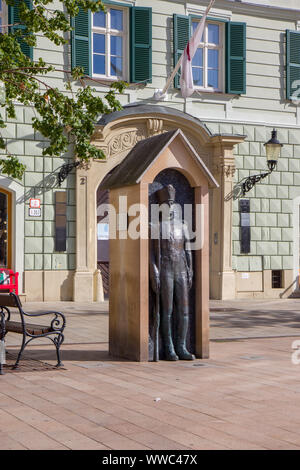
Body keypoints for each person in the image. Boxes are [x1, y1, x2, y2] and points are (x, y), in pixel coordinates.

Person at [150, 184, 195, 361]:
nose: (169, 206)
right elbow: (151, 254)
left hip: (182, 270)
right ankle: (168, 348)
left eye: (171, 203)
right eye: (166, 204)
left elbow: (188, 250)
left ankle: (181, 346)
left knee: (184, 311)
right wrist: (154, 271)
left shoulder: (183, 226)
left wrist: (190, 270)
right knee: (167, 311)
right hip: (165, 269)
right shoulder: (155, 226)